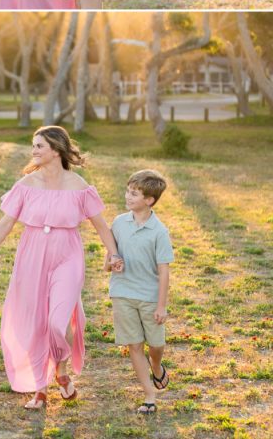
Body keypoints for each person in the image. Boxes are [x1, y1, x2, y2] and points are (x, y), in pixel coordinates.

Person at [0, 126, 122, 409]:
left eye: (39, 146)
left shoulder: (78, 185)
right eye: (34, 145)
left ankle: (62, 369)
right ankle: (39, 388)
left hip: (68, 253)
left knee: (58, 320)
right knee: (34, 321)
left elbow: (101, 225)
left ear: (56, 150)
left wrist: (114, 254)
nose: (34, 151)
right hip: (32, 253)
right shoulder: (26, 184)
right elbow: (6, 223)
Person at [109, 169, 173, 414]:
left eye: (134, 193)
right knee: (135, 345)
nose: (128, 196)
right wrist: (113, 263)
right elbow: (108, 261)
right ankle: (150, 395)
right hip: (122, 292)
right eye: (128, 191)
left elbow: (164, 271)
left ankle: (156, 366)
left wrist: (161, 306)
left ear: (149, 200)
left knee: (156, 344)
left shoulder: (159, 231)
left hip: (149, 296)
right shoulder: (118, 223)